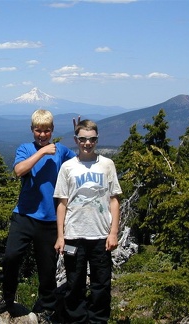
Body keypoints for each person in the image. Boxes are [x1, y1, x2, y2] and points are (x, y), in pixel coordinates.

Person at [0, 109, 76, 321]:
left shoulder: (62, 151)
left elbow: (80, 163)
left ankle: (47, 306)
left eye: (46, 131)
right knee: (11, 257)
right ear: (32, 130)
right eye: (38, 130)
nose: (42, 135)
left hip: (50, 219)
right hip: (24, 215)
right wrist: (42, 152)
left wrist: (78, 137)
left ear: (52, 130)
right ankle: (7, 297)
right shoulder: (26, 149)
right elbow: (19, 171)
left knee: (47, 267)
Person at [54, 119, 122, 323]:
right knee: (75, 283)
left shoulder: (107, 165)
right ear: (76, 140)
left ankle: (98, 320)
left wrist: (113, 232)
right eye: (83, 139)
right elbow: (62, 203)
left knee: (101, 283)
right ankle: (77, 319)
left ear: (97, 140)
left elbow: (114, 199)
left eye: (91, 139)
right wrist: (60, 236)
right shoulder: (67, 167)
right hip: (74, 235)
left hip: (101, 236)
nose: (87, 143)